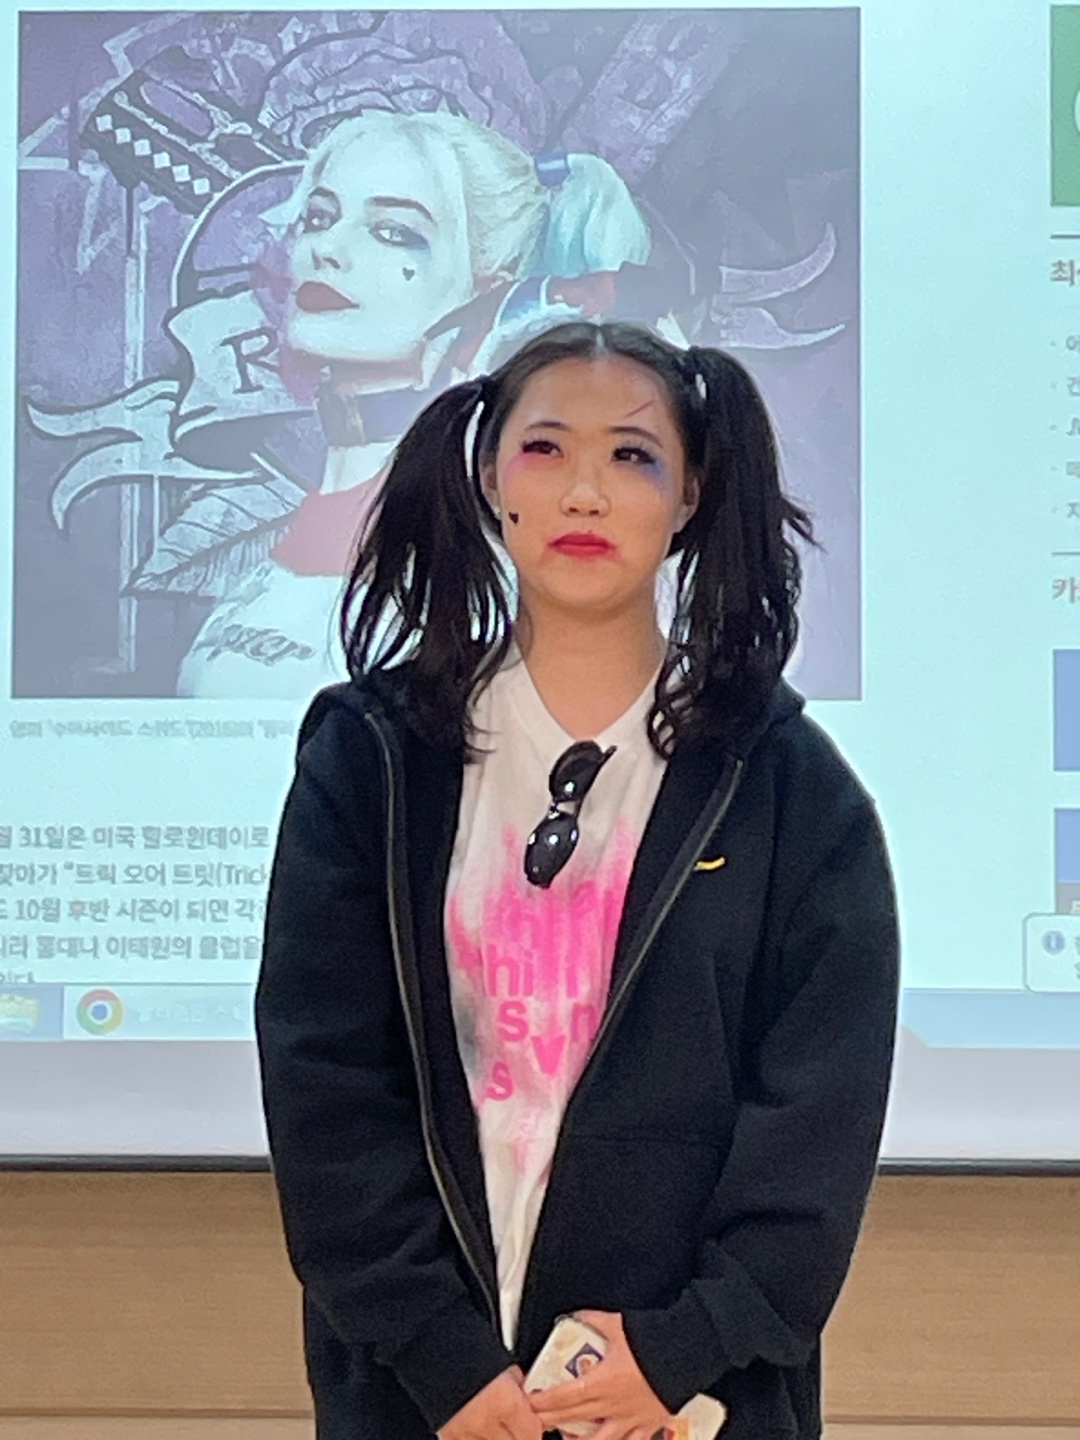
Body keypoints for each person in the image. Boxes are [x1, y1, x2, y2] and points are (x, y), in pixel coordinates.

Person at [255, 319, 899, 1440]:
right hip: (428, 1396)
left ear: (691, 493)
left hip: (684, 1398)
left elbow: (817, 1118)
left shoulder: (788, 786)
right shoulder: (374, 757)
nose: (585, 493)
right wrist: (440, 1357)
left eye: (633, 456)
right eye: (546, 449)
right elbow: (326, 1082)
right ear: (490, 478)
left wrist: (680, 1350)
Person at [177, 110, 651, 698]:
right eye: (320, 217)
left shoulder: (490, 537)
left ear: (486, 288)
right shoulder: (304, 519)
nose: (327, 249)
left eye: (393, 232)